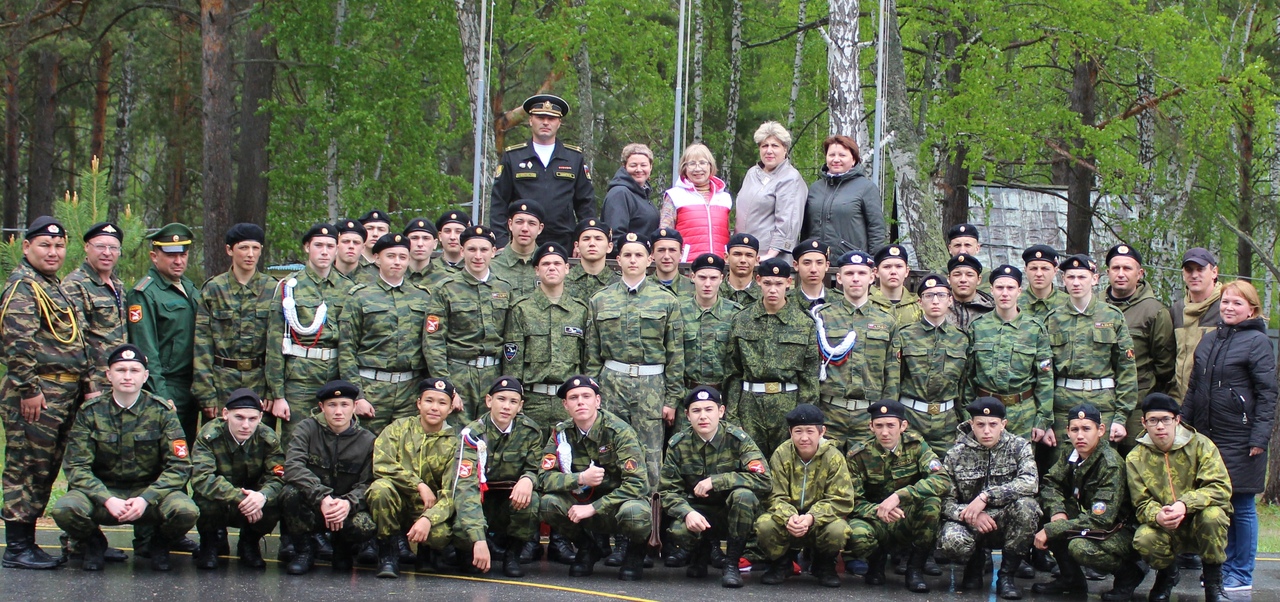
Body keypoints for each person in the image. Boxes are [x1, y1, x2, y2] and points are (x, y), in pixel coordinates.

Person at [51, 344, 198, 572]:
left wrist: (146, 498)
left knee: (186, 510)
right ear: (109, 375)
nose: (127, 376)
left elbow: (179, 466)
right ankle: (93, 542)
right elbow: (76, 466)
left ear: (145, 376)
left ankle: (159, 542)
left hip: (149, 495)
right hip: (104, 494)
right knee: (65, 508)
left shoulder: (162, 412)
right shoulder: (90, 412)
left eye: (134, 370)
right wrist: (107, 499)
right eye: (120, 370)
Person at [1, 216, 94, 570]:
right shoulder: (23, 287)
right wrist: (28, 390)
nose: (53, 252)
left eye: (59, 246)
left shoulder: (52, 285)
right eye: (45, 245)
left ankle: (27, 542)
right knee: (26, 466)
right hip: (37, 393)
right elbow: (17, 345)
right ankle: (17, 546)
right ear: (26, 247)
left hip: (63, 392)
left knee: (47, 468)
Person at [1181, 280, 1276, 594]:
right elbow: (1194, 388)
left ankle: (1241, 572)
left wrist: (1259, 438)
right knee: (1216, 505)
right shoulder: (1209, 340)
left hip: (1242, 438)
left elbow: (1267, 395)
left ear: (1252, 309)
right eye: (1225, 302)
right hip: (1208, 437)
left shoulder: (1258, 342)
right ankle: (1221, 569)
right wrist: (1183, 424)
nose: (1229, 308)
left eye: (1237, 303)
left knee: (1242, 504)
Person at [585, 232, 684, 489]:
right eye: (627, 255)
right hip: (611, 383)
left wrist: (672, 399)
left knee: (650, 453)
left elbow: (675, 354)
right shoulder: (600, 299)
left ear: (649, 259)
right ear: (617, 259)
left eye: (639, 255)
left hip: (651, 386)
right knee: (609, 450)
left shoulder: (666, 300)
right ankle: (610, 509)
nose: (633, 260)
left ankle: (649, 511)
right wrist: (593, 393)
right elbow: (592, 354)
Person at [537, 375, 653, 580]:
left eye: (586, 396)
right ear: (565, 405)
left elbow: (638, 484)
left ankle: (635, 553)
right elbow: (544, 478)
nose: (580, 402)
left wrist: (594, 507)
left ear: (597, 401)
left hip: (619, 504)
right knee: (548, 504)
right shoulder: (561, 434)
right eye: (573, 398)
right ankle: (588, 548)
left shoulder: (619, 431)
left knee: (635, 513)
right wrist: (580, 478)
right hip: (583, 501)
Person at [1032, 403, 1146, 601]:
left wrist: (1053, 529)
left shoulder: (1110, 464)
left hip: (1119, 530)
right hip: (1091, 519)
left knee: (1080, 548)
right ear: (1067, 431)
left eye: (1086, 429)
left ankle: (1129, 574)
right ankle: (1071, 579)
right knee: (1042, 510)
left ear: (1100, 430)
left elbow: (1100, 520)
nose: (1080, 436)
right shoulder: (1071, 452)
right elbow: (1051, 484)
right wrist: (1057, 512)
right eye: (1075, 429)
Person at [660, 385, 770, 588]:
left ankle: (731, 564)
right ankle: (700, 554)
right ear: (687, 415)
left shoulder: (738, 440)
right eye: (696, 410)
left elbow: (764, 480)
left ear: (721, 411)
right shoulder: (678, 444)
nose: (703, 416)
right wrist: (686, 513)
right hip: (698, 511)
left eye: (709, 409)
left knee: (744, 496)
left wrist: (717, 481)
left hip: (731, 514)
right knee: (678, 530)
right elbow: (667, 491)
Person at [1127, 393, 1232, 602]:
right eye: (1153, 420)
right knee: (1144, 537)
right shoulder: (1135, 458)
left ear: (1177, 420)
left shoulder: (1201, 445)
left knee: (1213, 516)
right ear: (1144, 423)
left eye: (1166, 419)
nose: (1160, 426)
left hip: (1198, 520)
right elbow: (1141, 503)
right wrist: (1157, 515)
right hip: (1165, 525)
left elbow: (1220, 487)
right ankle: (1167, 575)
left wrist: (1185, 504)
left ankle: (1213, 584)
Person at [938, 397, 1040, 600]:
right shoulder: (956, 454)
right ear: (971, 425)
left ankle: (1006, 576)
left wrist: (987, 496)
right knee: (951, 541)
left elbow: (1030, 482)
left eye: (993, 424)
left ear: (1003, 424)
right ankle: (974, 565)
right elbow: (944, 501)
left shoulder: (1019, 447)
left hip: (1004, 520)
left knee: (1028, 507)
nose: (986, 431)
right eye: (980, 425)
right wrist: (970, 515)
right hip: (970, 521)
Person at [845, 399, 950, 592]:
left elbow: (942, 480)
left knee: (932, 504)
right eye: (879, 426)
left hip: (905, 517)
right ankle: (876, 563)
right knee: (856, 534)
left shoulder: (916, 446)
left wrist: (900, 496)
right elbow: (853, 501)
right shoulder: (858, 455)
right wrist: (879, 510)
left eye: (890, 425)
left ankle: (915, 569)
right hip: (874, 519)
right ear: (871, 427)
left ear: (903, 426)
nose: (885, 432)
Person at [280, 380, 377, 575]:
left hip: (346, 508)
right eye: (332, 405)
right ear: (321, 407)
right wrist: (322, 497)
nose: (338, 411)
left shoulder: (367, 440)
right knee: (289, 493)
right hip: (314, 504)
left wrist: (348, 503)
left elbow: (368, 482)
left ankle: (342, 549)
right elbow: (293, 466)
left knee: (366, 524)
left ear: (354, 407)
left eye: (344, 405)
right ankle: (304, 550)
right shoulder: (306, 429)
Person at [723, 258, 819, 455]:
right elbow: (733, 372)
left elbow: (809, 377)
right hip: (750, 405)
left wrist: (803, 419)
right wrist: (732, 418)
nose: (773, 290)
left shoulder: (803, 323)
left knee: (787, 461)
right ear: (758, 281)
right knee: (750, 461)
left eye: (778, 284)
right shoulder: (742, 319)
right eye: (767, 283)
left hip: (788, 404)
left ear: (788, 283)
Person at [367, 377, 460, 578]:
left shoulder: (454, 443)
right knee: (379, 489)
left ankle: (427, 552)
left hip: (426, 508)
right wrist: (418, 484)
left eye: (442, 403)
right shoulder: (398, 429)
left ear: (450, 408)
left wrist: (428, 519)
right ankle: (388, 552)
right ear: (419, 403)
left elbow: (451, 493)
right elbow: (381, 465)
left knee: (440, 535)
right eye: (429, 401)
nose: (434, 408)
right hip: (396, 502)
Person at [453, 377, 546, 578]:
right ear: (489, 401)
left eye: (513, 401)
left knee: (531, 501)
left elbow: (537, 469)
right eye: (501, 399)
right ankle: (469, 550)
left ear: (520, 406)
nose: (506, 406)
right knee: (464, 544)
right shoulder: (472, 435)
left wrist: (528, 479)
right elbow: (465, 488)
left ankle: (512, 554)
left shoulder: (530, 432)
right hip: (479, 501)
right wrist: (478, 539)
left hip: (508, 500)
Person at [1042, 254, 1138, 448]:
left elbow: (1126, 369)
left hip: (1103, 406)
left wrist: (1121, 417)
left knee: (1104, 462)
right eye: (1071, 277)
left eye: (1082, 277)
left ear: (1094, 279)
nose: (1076, 282)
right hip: (1063, 409)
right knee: (1061, 463)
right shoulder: (1053, 319)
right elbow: (1044, 373)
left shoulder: (1112, 316)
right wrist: (1045, 421)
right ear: (1063, 279)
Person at [264, 224, 347, 444]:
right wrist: (278, 394)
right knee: (297, 439)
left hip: (335, 374)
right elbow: (275, 342)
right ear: (307, 247)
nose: (324, 251)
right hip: (300, 377)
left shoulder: (348, 288)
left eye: (330, 246)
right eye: (318, 245)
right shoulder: (289, 287)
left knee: (333, 439)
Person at [339, 233, 430, 435]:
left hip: (409, 390)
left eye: (402, 257)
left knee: (407, 446)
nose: (397, 262)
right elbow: (346, 349)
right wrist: (357, 396)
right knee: (365, 447)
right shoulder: (359, 296)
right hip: (371, 389)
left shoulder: (423, 297)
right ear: (377, 258)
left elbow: (430, 346)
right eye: (390, 256)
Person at [755, 404, 853, 588]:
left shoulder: (834, 457)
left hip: (819, 522)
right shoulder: (782, 454)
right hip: (789, 521)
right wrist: (789, 517)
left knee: (838, 530)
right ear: (790, 432)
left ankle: (823, 565)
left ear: (822, 431)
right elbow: (773, 495)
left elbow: (842, 500)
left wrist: (811, 517)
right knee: (764, 525)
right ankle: (781, 563)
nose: (804, 437)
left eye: (810, 431)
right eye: (798, 431)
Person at [423, 226, 512, 423]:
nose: (478, 256)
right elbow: (433, 341)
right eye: (472, 249)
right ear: (462, 251)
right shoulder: (445, 289)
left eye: (484, 249)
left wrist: (509, 382)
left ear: (493, 252)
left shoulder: (504, 288)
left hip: (494, 374)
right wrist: (446, 386)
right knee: (457, 434)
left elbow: (511, 339)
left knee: (491, 432)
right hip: (458, 373)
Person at [189, 387, 284, 570]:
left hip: (253, 501)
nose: (246, 425)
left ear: (260, 418)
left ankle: (249, 543)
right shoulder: (209, 436)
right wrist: (241, 498)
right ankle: (210, 543)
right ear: (226, 414)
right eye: (239, 417)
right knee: (204, 499)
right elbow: (202, 478)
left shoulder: (267, 438)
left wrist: (262, 496)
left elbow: (278, 476)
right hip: (223, 499)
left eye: (252, 419)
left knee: (276, 499)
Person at [192, 223, 278, 424]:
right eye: (243, 248)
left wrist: (274, 390)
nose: (250, 254)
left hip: (260, 381)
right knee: (219, 436)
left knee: (258, 436)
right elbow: (202, 343)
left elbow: (277, 345)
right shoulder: (214, 289)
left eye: (255, 248)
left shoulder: (273, 289)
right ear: (229, 250)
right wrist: (206, 391)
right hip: (222, 381)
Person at [812, 251, 898, 447]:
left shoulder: (886, 320)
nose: (856, 279)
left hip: (869, 416)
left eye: (861, 273)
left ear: (872, 277)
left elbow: (892, 373)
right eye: (849, 273)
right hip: (830, 413)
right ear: (839, 278)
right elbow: (812, 366)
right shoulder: (823, 317)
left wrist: (887, 414)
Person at [503, 242, 590, 431]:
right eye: (545, 264)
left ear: (567, 268)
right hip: (532, 401)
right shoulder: (521, 309)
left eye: (557, 263)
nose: (552, 268)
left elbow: (587, 359)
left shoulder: (580, 310)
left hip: (569, 401)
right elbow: (512, 362)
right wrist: (514, 398)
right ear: (536, 270)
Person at [490, 94, 596, 249]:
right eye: (540, 117)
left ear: (559, 123)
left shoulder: (573, 158)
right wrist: (501, 242)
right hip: (522, 243)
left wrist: (584, 240)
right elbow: (499, 203)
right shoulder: (513, 157)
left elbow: (586, 205)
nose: (546, 122)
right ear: (530, 120)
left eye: (551, 118)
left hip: (564, 242)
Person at [127, 222, 200, 442]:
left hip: (192, 384)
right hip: (167, 385)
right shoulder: (144, 293)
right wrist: (161, 395)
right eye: (170, 255)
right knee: (167, 451)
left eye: (183, 255)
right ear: (154, 256)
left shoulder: (189, 288)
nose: (178, 261)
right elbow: (145, 349)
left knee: (188, 450)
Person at [965, 266, 1054, 442]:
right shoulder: (978, 327)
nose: (1004, 293)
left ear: (1019, 291)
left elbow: (1045, 377)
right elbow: (968, 376)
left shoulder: (1034, 328)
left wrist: (1043, 419)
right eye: (999, 287)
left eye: (1010, 288)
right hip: (985, 413)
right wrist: (967, 413)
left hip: (1023, 414)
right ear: (991, 290)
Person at [1104, 243, 1175, 453]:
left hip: (1137, 404)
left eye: (1127, 268)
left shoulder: (1154, 311)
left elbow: (1164, 364)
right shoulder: (1095, 306)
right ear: (1107, 273)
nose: (1121, 274)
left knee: (1135, 458)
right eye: (1116, 268)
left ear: (1140, 273)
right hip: (1100, 401)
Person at [893, 274, 967, 453]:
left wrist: (965, 419)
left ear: (950, 300)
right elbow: (894, 380)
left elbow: (965, 384)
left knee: (946, 468)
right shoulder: (904, 335)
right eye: (929, 295)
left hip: (947, 423)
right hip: (911, 418)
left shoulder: (961, 339)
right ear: (920, 302)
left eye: (941, 295)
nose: (935, 301)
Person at [64, 221, 127, 388]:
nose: (107, 253)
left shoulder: (118, 285)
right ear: (87, 247)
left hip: (119, 381)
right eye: (100, 246)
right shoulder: (76, 285)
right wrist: (89, 385)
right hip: (94, 383)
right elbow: (75, 343)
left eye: (113, 248)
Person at [735, 122, 807, 262]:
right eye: (764, 146)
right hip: (745, 254)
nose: (769, 151)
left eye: (775, 146)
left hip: (770, 257)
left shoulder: (790, 178)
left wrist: (771, 254)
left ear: (785, 149)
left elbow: (788, 222)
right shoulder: (752, 173)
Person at [801, 134, 885, 255]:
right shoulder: (815, 188)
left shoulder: (866, 188)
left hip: (851, 261)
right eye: (831, 155)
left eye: (842, 155)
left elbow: (876, 229)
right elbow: (806, 229)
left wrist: (873, 260)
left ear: (853, 159)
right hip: (817, 261)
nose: (836, 159)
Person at [679, 254, 742, 394]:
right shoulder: (678, 311)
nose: (707, 284)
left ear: (721, 278)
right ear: (692, 277)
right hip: (687, 393)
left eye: (713, 278)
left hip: (724, 394)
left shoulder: (735, 313)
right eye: (702, 277)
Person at [661, 143, 732, 258]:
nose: (698, 168)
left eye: (702, 163)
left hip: (719, 264)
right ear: (684, 167)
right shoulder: (674, 195)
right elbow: (665, 234)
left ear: (710, 166)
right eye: (692, 164)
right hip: (687, 264)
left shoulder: (725, 198)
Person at [1170, 247, 1222, 401]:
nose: (1194, 275)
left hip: (1214, 403)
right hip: (1180, 402)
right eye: (1189, 270)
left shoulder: (1227, 308)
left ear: (1214, 272)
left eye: (1200, 269)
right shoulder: (1176, 310)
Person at [602, 143, 659, 253]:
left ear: (651, 167)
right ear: (624, 166)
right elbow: (615, 238)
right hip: (628, 261)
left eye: (643, 165)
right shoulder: (620, 193)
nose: (639, 169)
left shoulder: (643, 195)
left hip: (642, 259)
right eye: (633, 165)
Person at [490, 200, 544, 302]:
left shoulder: (549, 265)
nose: (525, 228)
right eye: (519, 222)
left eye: (531, 223)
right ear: (510, 224)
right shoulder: (491, 265)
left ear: (540, 228)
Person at [564, 218, 618, 301]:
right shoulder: (563, 281)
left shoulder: (619, 283)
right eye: (586, 239)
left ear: (609, 247)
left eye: (598, 239)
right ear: (577, 246)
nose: (592, 244)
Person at [869, 243, 922, 325]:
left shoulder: (919, 307)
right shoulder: (865, 305)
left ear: (906, 271)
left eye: (899, 266)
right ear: (876, 272)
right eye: (887, 267)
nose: (893, 272)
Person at [946, 253, 993, 331]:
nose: (963, 280)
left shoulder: (990, 310)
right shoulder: (938, 308)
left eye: (969, 275)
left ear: (979, 279)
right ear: (949, 279)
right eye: (957, 275)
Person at [1020, 245, 1066, 321]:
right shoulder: (1014, 304)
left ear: (1055, 271)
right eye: (1033, 268)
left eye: (1045, 268)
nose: (1039, 274)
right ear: (1025, 270)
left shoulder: (1068, 304)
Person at [719, 233, 762, 306]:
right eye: (737, 254)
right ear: (726, 257)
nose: (743, 260)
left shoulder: (765, 297)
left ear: (757, 260)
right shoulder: (713, 294)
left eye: (749, 255)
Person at [790, 238, 831, 310]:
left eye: (819, 263)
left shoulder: (840, 301)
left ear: (827, 266)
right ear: (796, 265)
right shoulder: (785, 302)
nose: (813, 270)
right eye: (807, 263)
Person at [651, 227, 693, 295]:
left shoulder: (694, 288)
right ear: (652, 254)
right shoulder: (641, 287)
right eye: (661, 250)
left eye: (672, 250)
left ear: (681, 253)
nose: (666, 256)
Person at [403, 217, 442, 289]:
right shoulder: (394, 275)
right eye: (414, 238)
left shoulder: (446, 279)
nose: (420, 244)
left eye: (426, 238)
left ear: (435, 243)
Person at [433, 210, 471, 275]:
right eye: (447, 231)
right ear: (440, 236)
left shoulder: (475, 269)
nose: (452, 237)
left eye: (458, 232)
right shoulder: (428, 270)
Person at [333, 218, 369, 283]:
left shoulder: (373, 280)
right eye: (345, 241)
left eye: (356, 242)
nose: (351, 246)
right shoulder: (323, 276)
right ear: (336, 245)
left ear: (363, 248)